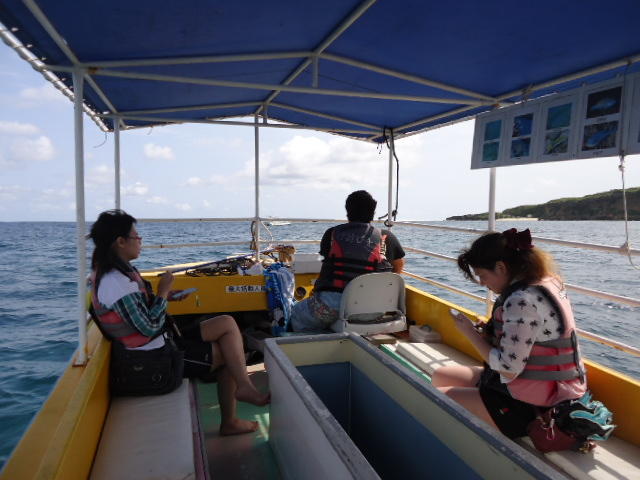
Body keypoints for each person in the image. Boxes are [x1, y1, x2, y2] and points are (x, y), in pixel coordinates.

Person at [88, 209, 269, 436]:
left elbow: (138, 310)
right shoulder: (115, 282)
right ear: (120, 242)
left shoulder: (117, 274)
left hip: (161, 345)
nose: (140, 240)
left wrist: (166, 296)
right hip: (152, 366)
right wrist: (163, 292)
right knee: (230, 355)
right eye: (136, 236)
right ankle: (231, 418)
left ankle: (244, 388)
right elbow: (149, 328)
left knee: (226, 322)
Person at [432, 228, 587, 440]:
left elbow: (508, 369)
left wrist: (469, 333)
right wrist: (490, 333)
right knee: (440, 375)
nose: (482, 283)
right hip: (552, 389)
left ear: (501, 267)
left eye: (482, 275)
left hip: (535, 405)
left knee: (433, 399)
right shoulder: (546, 281)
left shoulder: (521, 299)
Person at [290, 190, 405, 333]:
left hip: (332, 307)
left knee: (295, 314)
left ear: (347, 211)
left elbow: (328, 266)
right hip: (376, 310)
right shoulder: (387, 237)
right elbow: (399, 265)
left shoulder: (332, 234)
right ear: (373, 212)